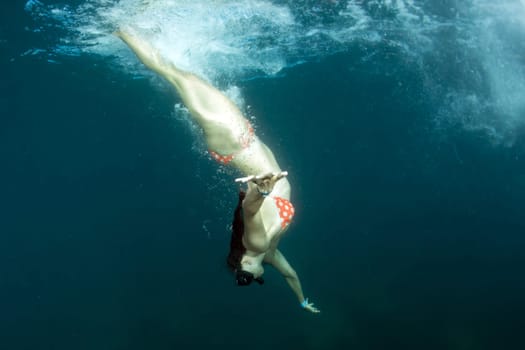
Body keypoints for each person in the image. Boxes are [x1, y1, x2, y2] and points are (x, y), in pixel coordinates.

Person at [116, 28, 320, 313]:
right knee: (183, 77)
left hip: (234, 141)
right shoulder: (269, 253)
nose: (260, 277)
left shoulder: (256, 242)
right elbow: (291, 275)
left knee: (175, 75)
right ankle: (143, 31)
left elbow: (249, 210)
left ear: (246, 265)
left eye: (252, 278)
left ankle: (119, 29)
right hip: (237, 143)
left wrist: (260, 192)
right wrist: (301, 301)